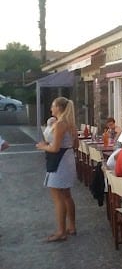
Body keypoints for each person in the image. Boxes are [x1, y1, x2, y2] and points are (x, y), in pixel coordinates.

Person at [35, 97, 78, 242]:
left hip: (60, 161)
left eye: (53, 106)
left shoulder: (60, 124)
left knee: (58, 197)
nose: (51, 109)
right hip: (67, 158)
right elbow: (76, 144)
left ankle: (61, 231)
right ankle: (71, 226)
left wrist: (43, 146)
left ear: (59, 108)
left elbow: (54, 148)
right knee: (66, 195)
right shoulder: (70, 124)